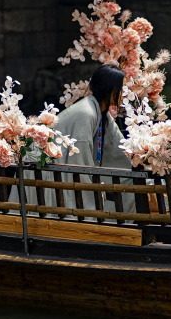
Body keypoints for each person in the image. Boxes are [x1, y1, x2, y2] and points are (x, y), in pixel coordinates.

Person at [43, 65, 132, 214]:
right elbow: (79, 165)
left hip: (61, 169)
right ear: (110, 89)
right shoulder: (87, 113)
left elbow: (118, 148)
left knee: (130, 185)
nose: (124, 93)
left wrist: (140, 170)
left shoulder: (101, 111)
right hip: (47, 170)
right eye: (121, 88)